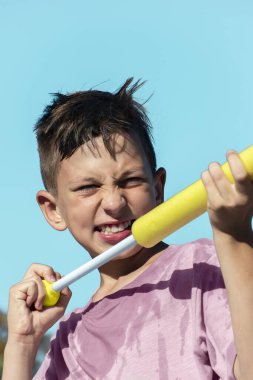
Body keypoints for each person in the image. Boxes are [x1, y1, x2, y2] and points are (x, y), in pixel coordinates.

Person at [2, 78, 253, 380]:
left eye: (130, 180)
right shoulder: (67, 344)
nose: (113, 201)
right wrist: (22, 343)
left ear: (158, 189)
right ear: (54, 210)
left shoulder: (206, 269)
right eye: (88, 187)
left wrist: (234, 236)